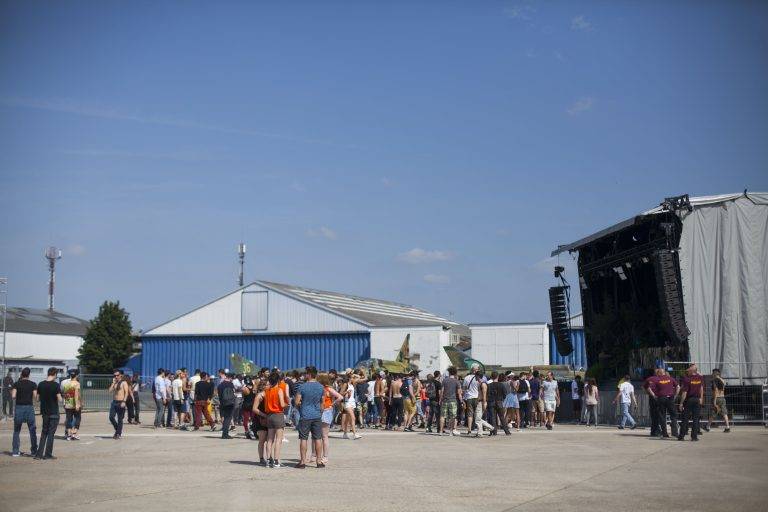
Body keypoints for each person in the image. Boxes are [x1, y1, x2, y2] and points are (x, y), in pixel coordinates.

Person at [295, 366, 325, 468]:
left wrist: (301, 406)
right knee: (318, 438)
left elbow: (296, 402)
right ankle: (319, 461)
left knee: (303, 439)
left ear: (309, 374)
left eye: (305, 373)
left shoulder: (302, 387)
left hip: (305, 415)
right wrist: (320, 412)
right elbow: (322, 403)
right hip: (317, 415)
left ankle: (303, 462)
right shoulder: (321, 387)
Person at [35, 367, 62, 460]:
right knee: (51, 433)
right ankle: (48, 454)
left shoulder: (41, 384)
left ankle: (39, 454)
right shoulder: (56, 385)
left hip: (45, 412)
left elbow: (37, 399)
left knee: (44, 432)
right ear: (54, 374)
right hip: (54, 411)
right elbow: (60, 399)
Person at [11, 367, 37, 456]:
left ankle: (15, 451)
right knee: (32, 429)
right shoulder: (33, 384)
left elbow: (13, 396)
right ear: (29, 375)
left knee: (16, 430)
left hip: (19, 407)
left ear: (22, 374)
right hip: (29, 407)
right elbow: (35, 397)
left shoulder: (16, 384)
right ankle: (34, 451)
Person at [263, 371, 288, 467]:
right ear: (278, 380)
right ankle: (277, 461)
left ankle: (269, 460)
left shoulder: (267, 390)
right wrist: (287, 404)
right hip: (278, 414)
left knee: (270, 439)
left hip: (269, 415)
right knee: (278, 439)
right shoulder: (279, 390)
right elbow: (282, 404)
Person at [647, 369, 679, 439]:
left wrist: (654, 396)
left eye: (658, 373)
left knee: (662, 416)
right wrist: (675, 395)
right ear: (664, 373)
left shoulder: (657, 380)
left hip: (661, 398)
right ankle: (675, 433)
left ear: (659, 373)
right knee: (673, 415)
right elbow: (678, 387)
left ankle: (665, 433)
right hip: (670, 398)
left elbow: (649, 388)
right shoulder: (671, 379)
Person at [678, 364, 704, 441]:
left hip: (689, 400)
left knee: (685, 418)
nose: (687, 371)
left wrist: (681, 403)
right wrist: (701, 398)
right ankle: (694, 436)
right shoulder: (700, 378)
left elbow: (684, 392)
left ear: (691, 371)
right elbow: (701, 389)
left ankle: (681, 436)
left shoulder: (687, 379)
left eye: (688, 370)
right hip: (697, 400)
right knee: (696, 419)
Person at [439, 366, 462, 436]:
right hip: (453, 401)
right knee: (453, 417)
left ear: (449, 373)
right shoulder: (457, 381)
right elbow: (459, 393)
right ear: (455, 373)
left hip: (445, 400)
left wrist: (440, 399)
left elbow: (442, 391)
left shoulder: (444, 380)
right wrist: (461, 401)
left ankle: (440, 431)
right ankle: (451, 432)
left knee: (442, 416)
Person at [251, 379, 269, 465]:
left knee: (269, 440)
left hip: (269, 419)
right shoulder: (259, 396)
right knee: (262, 440)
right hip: (260, 419)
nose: (270, 386)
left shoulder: (269, 394)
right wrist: (264, 415)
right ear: (263, 386)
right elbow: (254, 409)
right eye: (268, 385)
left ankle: (269, 458)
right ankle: (261, 458)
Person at [109, 369, 131, 439]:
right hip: (114, 402)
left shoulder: (124, 383)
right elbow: (109, 391)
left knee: (120, 419)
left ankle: (118, 433)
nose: (116, 377)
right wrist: (113, 383)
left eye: (117, 375)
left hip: (121, 402)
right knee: (111, 417)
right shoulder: (114, 383)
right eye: (114, 375)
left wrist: (124, 402)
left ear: (121, 375)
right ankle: (118, 430)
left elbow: (126, 393)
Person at [707, 368, 731, 433]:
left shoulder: (714, 381)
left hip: (717, 398)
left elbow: (715, 391)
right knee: (724, 413)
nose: (711, 374)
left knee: (713, 413)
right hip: (722, 398)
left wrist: (714, 401)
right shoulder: (722, 380)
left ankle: (708, 426)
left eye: (712, 373)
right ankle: (727, 427)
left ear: (715, 373)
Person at [62, 369, 82, 440]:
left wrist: (65, 402)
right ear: (77, 375)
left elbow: (64, 394)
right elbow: (76, 395)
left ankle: (69, 435)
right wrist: (77, 404)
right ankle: (74, 433)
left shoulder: (65, 383)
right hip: (75, 404)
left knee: (69, 419)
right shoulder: (77, 383)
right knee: (78, 418)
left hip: (68, 404)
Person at [462, 365, 480, 435]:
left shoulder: (466, 378)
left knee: (470, 414)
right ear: (476, 370)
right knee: (477, 414)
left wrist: (464, 398)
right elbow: (480, 388)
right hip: (477, 397)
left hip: (469, 397)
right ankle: (478, 429)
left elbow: (464, 389)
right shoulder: (479, 378)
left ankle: (469, 430)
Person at [218, 372, 236, 439]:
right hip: (230, 403)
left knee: (224, 417)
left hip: (223, 403)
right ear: (230, 378)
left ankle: (224, 433)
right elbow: (233, 393)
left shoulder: (220, 385)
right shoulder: (231, 385)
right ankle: (225, 434)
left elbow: (219, 395)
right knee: (228, 419)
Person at [643, 369, 662, 437]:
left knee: (654, 415)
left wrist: (649, 394)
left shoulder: (649, 379)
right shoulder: (661, 379)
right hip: (659, 398)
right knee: (659, 415)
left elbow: (644, 387)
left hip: (652, 398)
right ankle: (657, 431)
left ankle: (654, 431)